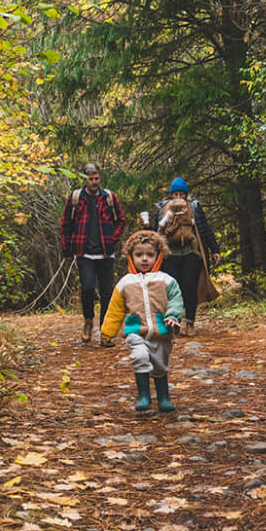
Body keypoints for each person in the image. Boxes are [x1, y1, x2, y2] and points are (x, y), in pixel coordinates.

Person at [100, 229, 184, 413]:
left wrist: (173, 316)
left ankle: (163, 398)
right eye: (139, 255)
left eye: (149, 255)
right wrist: (107, 332)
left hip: (161, 331)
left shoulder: (166, 280)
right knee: (139, 357)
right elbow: (115, 310)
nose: (144, 259)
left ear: (158, 256)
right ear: (130, 257)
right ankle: (144, 396)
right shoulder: (125, 283)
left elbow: (176, 301)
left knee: (160, 366)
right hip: (136, 330)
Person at [60, 162, 126, 344]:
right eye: (90, 179)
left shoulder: (109, 197)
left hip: (106, 252)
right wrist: (67, 249)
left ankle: (105, 332)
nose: (94, 182)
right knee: (87, 288)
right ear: (84, 179)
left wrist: (113, 237)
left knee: (106, 293)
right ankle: (88, 320)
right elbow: (66, 224)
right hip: (84, 252)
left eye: (97, 178)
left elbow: (121, 220)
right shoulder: (75, 198)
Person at [153, 177, 220, 336]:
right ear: (171, 195)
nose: (178, 198)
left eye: (181, 194)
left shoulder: (194, 207)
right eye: (175, 194)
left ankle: (190, 322)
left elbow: (204, 228)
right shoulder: (163, 208)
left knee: (190, 286)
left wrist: (214, 249)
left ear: (185, 195)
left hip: (191, 251)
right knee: (172, 288)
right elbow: (156, 231)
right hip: (170, 253)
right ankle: (174, 321)